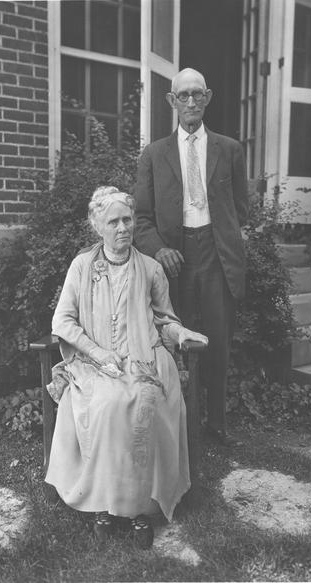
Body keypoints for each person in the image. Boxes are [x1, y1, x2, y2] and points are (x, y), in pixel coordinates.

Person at [45, 186, 208, 549]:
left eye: (127, 219)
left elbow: (165, 320)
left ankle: (139, 511)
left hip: (146, 359)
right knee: (107, 406)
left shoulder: (150, 269)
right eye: (113, 221)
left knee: (143, 403)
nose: (123, 227)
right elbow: (63, 321)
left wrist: (180, 332)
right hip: (94, 363)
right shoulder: (82, 267)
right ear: (97, 226)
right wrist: (98, 352)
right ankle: (104, 505)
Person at [134, 68, 248, 447]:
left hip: (215, 255)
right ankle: (176, 427)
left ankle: (216, 423)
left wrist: (223, 242)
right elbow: (142, 219)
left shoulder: (229, 150)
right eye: (183, 95)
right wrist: (160, 249)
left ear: (208, 97)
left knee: (217, 339)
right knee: (171, 342)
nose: (191, 102)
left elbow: (240, 210)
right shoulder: (154, 154)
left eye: (197, 94)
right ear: (171, 101)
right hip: (174, 259)